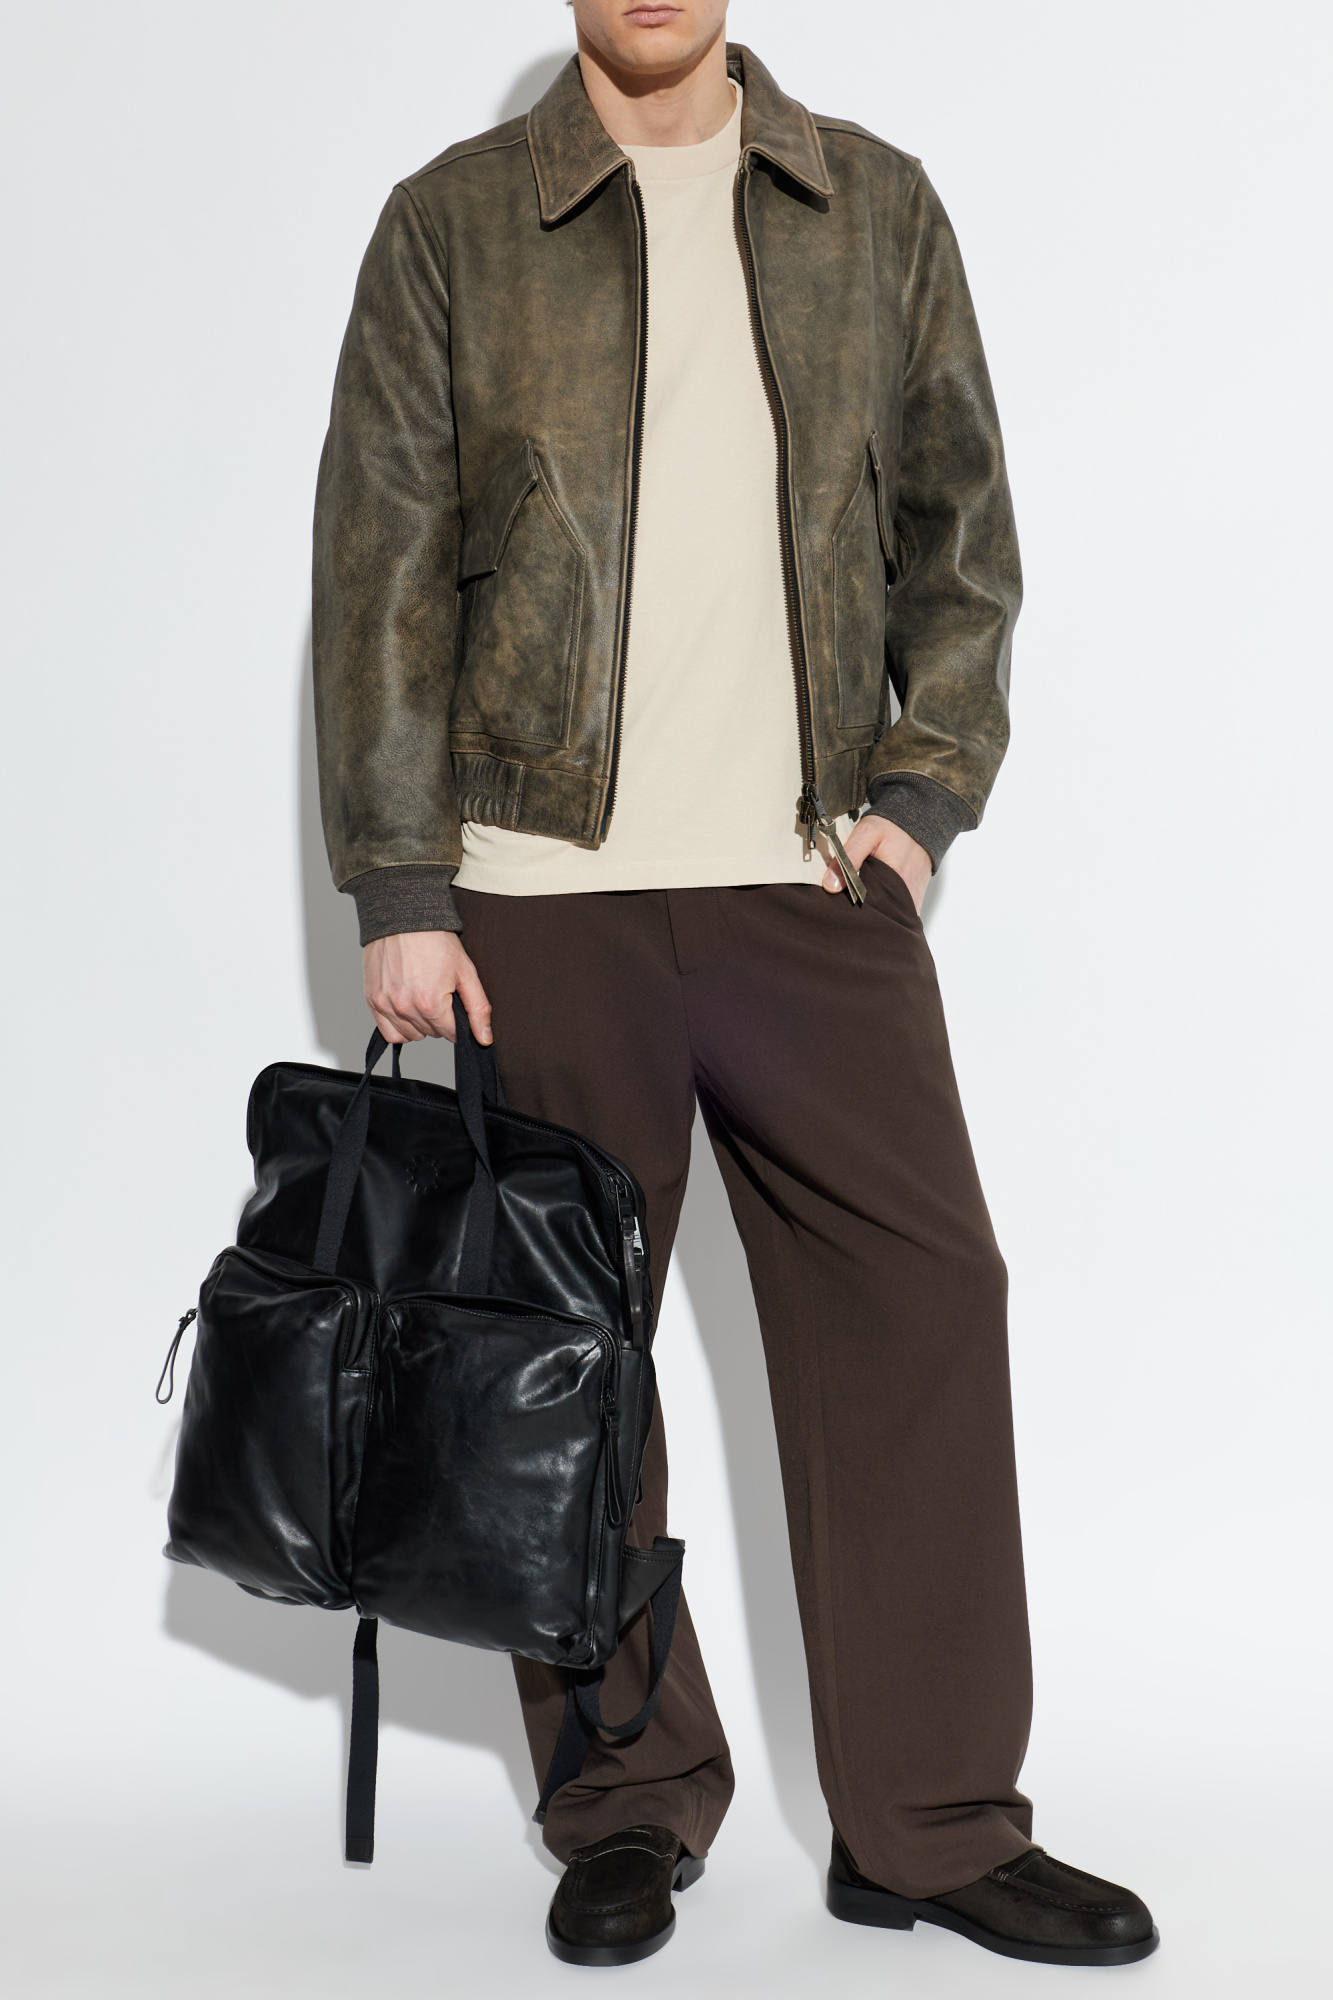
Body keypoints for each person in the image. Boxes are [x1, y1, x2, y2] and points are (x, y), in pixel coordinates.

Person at [312, 0, 1158, 1969]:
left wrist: (917, 806)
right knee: (566, 1362)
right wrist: (402, 884)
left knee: (920, 1303)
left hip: (806, 889)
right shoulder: (453, 222)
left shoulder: (873, 208)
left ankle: (928, 1824)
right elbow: (380, 569)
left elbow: (963, 546)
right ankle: (622, 1801)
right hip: (540, 899)